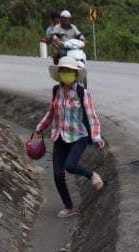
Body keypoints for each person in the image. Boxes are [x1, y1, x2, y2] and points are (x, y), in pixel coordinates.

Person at [34, 57, 106, 218]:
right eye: (63, 71)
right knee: (58, 175)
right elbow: (51, 113)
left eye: (69, 71)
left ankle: (92, 175)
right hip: (59, 136)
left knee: (70, 165)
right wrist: (39, 129)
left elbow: (92, 116)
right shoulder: (56, 91)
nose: (66, 74)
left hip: (78, 136)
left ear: (75, 74)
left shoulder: (82, 93)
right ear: (59, 74)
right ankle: (69, 207)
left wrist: (96, 137)